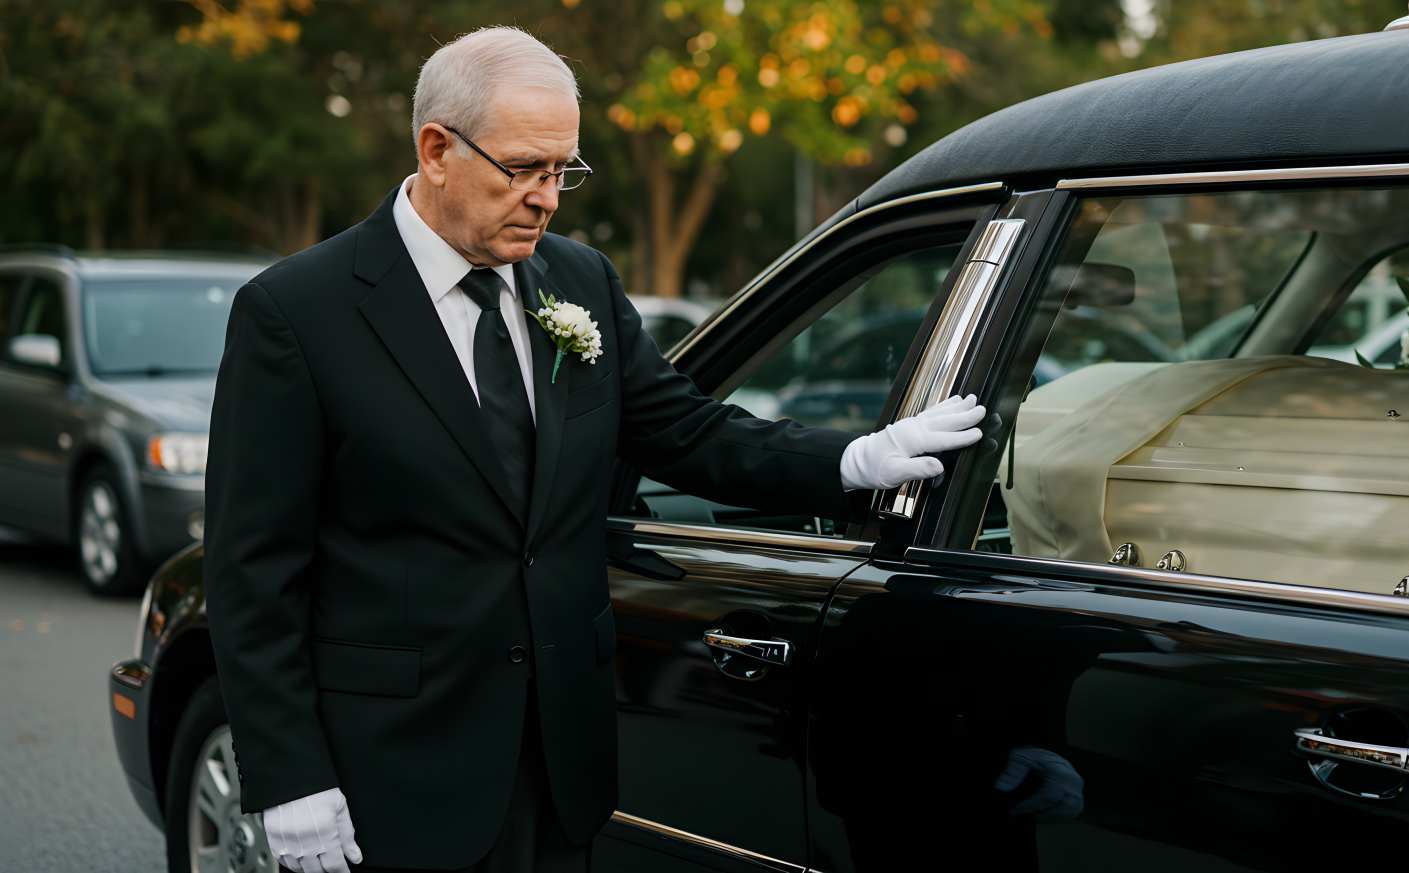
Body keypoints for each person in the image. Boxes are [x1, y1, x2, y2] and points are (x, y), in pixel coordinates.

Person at [203, 25, 985, 873]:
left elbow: (685, 429)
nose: (547, 198)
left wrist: (853, 461)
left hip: (562, 765)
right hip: (389, 771)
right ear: (436, 150)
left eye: (563, 171)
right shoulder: (297, 313)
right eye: (525, 169)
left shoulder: (579, 281)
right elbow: (253, 571)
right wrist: (288, 779)